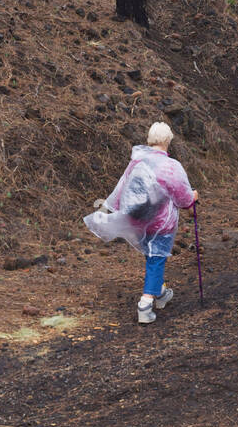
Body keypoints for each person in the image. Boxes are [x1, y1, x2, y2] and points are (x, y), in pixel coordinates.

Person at [83, 121, 198, 325]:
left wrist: (114, 210)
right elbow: (183, 199)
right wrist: (193, 197)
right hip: (161, 223)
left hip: (138, 220)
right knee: (156, 259)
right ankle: (145, 306)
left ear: (149, 139)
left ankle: (160, 293)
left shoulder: (137, 161)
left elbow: (121, 188)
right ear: (168, 140)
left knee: (152, 257)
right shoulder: (171, 166)